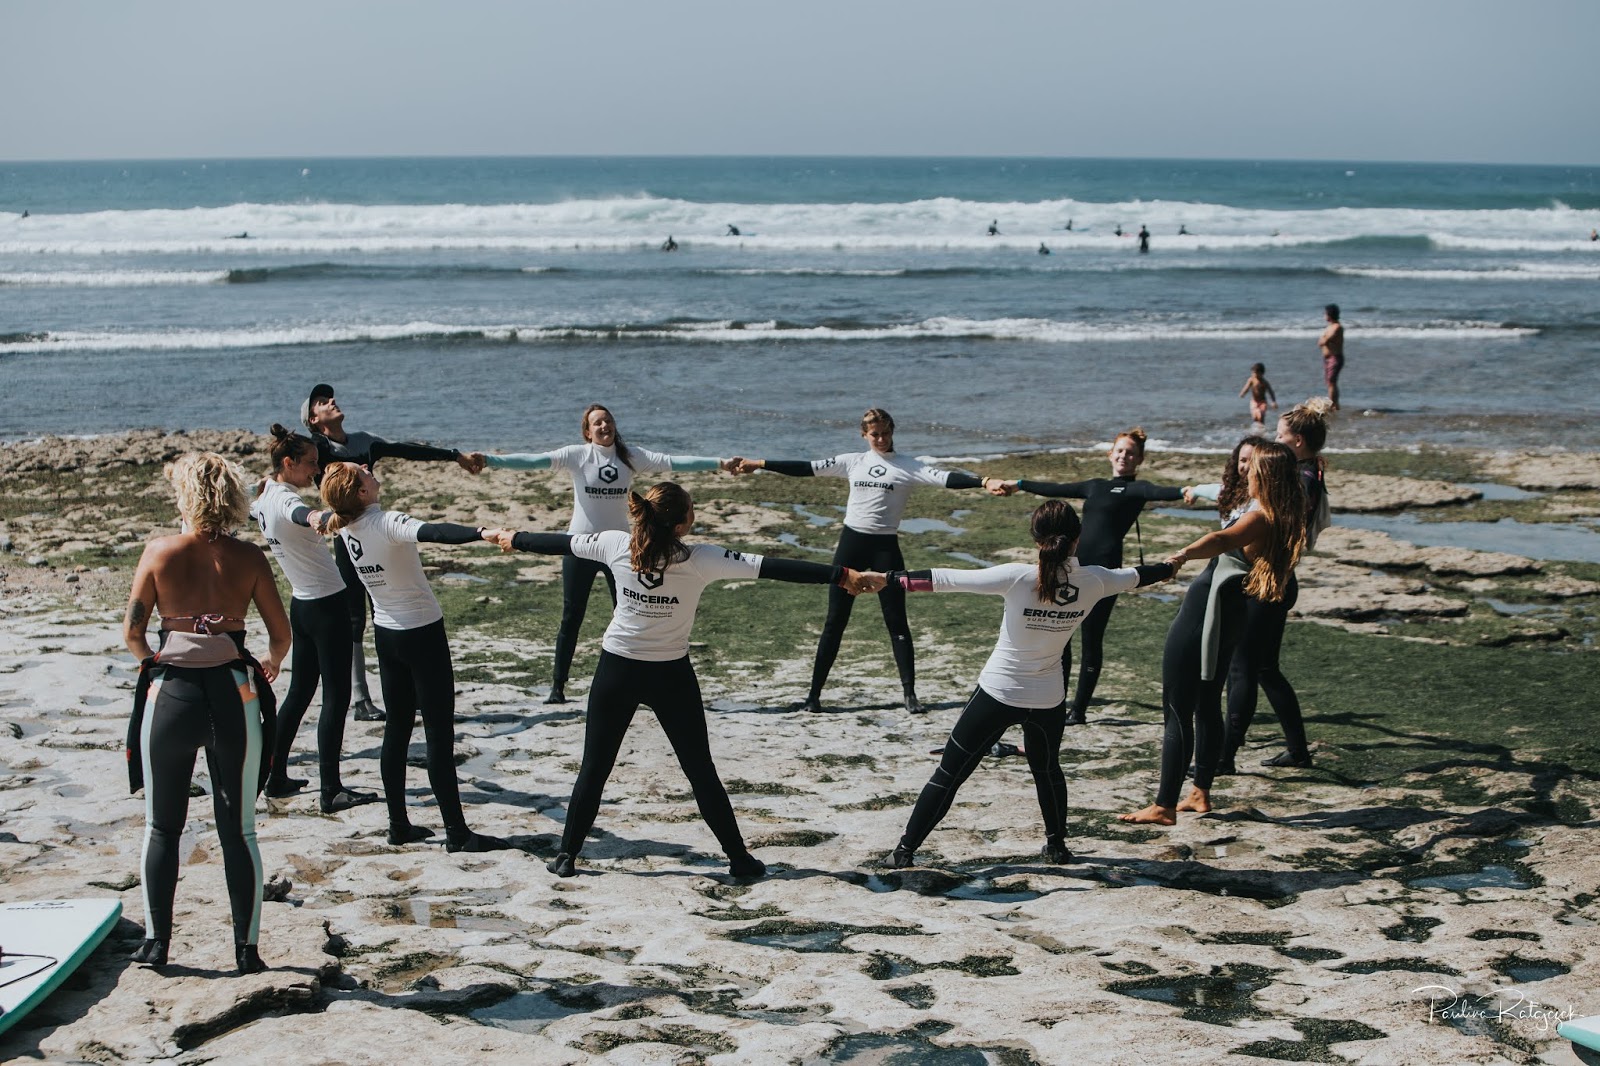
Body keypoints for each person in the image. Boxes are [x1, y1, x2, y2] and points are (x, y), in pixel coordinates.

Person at [491, 482, 881, 879]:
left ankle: (567, 857)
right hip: (670, 675)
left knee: (595, 767)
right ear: (682, 524)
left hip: (617, 670)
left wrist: (514, 538)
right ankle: (739, 859)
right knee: (699, 769)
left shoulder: (613, 544)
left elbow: (559, 542)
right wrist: (842, 574)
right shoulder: (702, 559)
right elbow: (774, 567)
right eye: (691, 510)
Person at [884, 500, 1173, 868]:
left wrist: (888, 579)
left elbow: (945, 578)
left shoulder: (1018, 576)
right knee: (1047, 770)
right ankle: (1057, 847)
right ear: (1077, 537)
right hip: (1048, 698)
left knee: (950, 773)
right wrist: (1171, 565)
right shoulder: (1097, 579)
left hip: (998, 693)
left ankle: (904, 852)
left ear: (1037, 539)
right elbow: (1139, 575)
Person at [123, 452, 291, 975]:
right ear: (234, 497)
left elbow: (132, 634)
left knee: (161, 828)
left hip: (170, 697)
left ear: (185, 495)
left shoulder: (159, 552)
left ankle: (157, 945)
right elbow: (281, 637)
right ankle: (247, 952)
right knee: (239, 830)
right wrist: (267, 664)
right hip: (232, 698)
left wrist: (157, 666)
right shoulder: (249, 559)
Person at [485, 405, 743, 704]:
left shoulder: (629, 456)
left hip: (620, 549)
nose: (604, 425)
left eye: (608, 420)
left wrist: (722, 463)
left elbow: (673, 462)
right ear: (587, 431)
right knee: (572, 616)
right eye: (597, 422)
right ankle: (558, 686)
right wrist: (490, 460)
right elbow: (534, 461)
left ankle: (637, 683)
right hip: (580, 546)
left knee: (630, 613)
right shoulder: (577, 455)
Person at [736, 409, 987, 714]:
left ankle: (910, 695)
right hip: (850, 545)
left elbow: (946, 479)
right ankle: (813, 697)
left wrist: (983, 481)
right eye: (874, 434)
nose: (881, 439)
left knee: (896, 622)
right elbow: (806, 467)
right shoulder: (852, 461)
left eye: (885, 433)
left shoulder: (909, 466)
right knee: (834, 623)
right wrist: (760, 464)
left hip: (885, 549)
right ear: (864, 435)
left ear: (893, 431)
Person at [318, 462, 510, 853]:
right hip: (422, 635)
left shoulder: (347, 526)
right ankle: (457, 833)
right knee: (439, 734)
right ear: (360, 492)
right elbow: (435, 532)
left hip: (387, 636)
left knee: (398, 730)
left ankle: (398, 825)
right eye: (363, 472)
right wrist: (481, 532)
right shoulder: (384, 522)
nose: (371, 471)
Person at [1119, 441, 1307, 825]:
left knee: (1176, 705)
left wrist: (1182, 555)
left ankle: (1163, 804)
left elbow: (1222, 540)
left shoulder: (1260, 516)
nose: (1247, 473)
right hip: (1229, 613)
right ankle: (1199, 793)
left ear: (1265, 476)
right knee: (1206, 702)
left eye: (1253, 468)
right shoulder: (1286, 513)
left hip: (1206, 611)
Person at [302, 383, 484, 723]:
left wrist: (454, 456)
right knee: (355, 617)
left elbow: (407, 450)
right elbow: (290, 457)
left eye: (331, 397)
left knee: (383, 610)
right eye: (323, 402)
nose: (332, 401)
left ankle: (408, 692)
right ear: (313, 419)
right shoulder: (316, 448)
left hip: (378, 532)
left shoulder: (363, 441)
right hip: (348, 537)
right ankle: (360, 698)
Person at [988, 429, 1192, 725]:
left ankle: (1079, 710)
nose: (1124, 456)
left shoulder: (1138, 489)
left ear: (1140, 459)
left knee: (1092, 639)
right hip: (1073, 566)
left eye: (1131, 453)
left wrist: (1187, 491)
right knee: (1062, 636)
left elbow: (1164, 492)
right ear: (1110, 454)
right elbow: (1056, 488)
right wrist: (1019, 484)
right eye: (1120, 451)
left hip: (1104, 573)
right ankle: (1057, 700)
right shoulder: (1094, 486)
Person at [249, 424, 377, 813]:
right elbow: (304, 514)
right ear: (287, 463)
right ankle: (331, 789)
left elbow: (265, 500)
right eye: (310, 465)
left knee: (299, 693)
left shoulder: (262, 497)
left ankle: (275, 776)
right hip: (327, 607)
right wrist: (326, 517)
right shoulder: (287, 501)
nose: (316, 472)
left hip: (302, 607)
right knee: (335, 699)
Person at [1221, 398, 1334, 771]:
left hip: (1267, 581)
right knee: (1265, 668)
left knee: (1242, 669)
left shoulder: (1299, 480)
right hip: (1281, 581)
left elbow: (1274, 525)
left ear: (1298, 441)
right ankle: (1298, 751)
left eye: (1280, 435)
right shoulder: (1309, 474)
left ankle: (1225, 756)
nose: (1274, 439)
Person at [1320, 304, 1345, 410]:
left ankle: (1332, 405)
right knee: (1330, 382)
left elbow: (1324, 341)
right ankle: (1335, 404)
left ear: (1330, 314)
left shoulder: (1337, 327)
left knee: (1331, 382)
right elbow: (1321, 341)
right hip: (1328, 358)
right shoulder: (1329, 327)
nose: (1324, 315)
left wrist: (1324, 339)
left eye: (1325, 313)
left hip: (1335, 357)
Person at [1239, 363, 1278, 428]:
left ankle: (1262, 429)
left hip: (1263, 402)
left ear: (1261, 373)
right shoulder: (1251, 380)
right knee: (1255, 416)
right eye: (1253, 373)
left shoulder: (1264, 382)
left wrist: (1273, 401)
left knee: (1261, 415)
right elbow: (1246, 387)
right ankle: (1255, 430)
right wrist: (1243, 393)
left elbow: (1270, 392)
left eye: (1256, 373)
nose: (1254, 374)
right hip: (1254, 401)